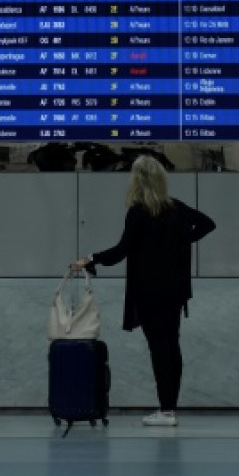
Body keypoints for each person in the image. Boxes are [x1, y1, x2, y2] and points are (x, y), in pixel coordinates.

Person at [71, 155, 216, 427]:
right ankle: (169, 408)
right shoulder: (176, 208)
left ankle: (166, 411)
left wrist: (90, 259)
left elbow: (121, 251)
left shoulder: (138, 212)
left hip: (149, 292)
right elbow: (208, 224)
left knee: (159, 349)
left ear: (137, 181)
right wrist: (182, 239)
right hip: (174, 291)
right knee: (172, 347)